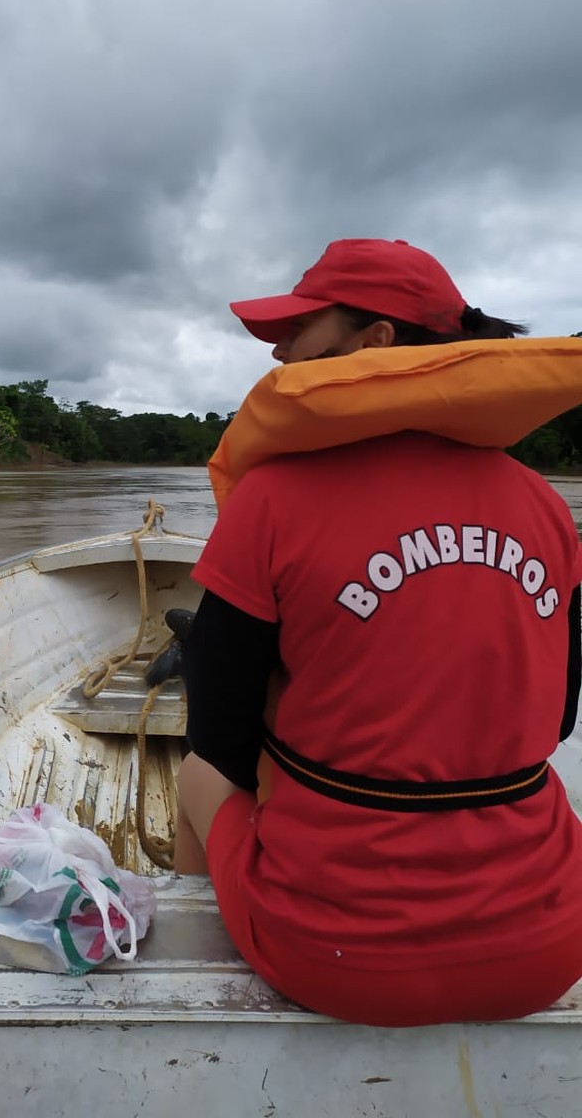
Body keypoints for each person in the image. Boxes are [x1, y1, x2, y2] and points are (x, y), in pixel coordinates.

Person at [175, 237, 582, 1027]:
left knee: (196, 776)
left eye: (298, 330)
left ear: (376, 342)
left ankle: (193, 965)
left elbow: (219, 739)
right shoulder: (544, 506)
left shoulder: (271, 497)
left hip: (333, 960)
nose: (279, 350)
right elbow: (560, 717)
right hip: (549, 952)